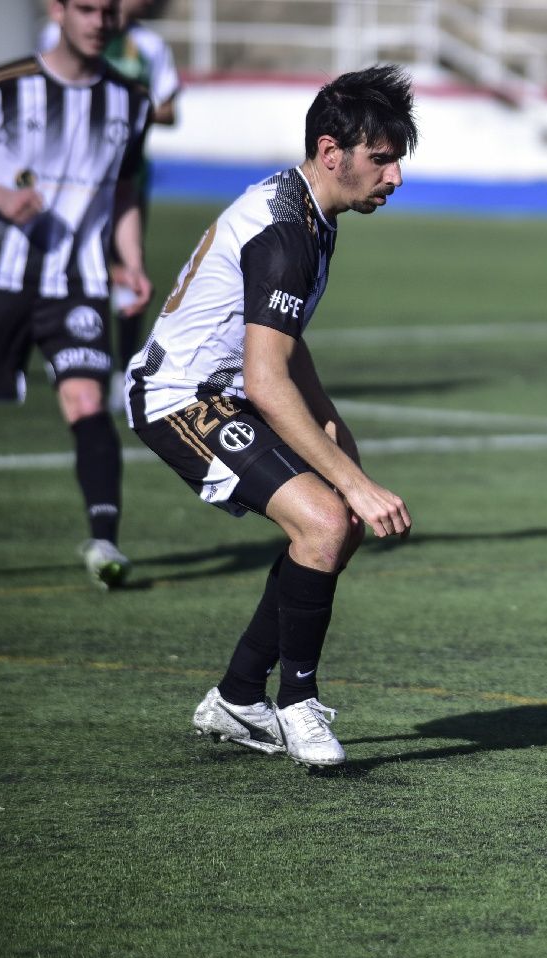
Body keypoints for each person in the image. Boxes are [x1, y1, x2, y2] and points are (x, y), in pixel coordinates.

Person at [126, 64, 418, 767]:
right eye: (381, 158)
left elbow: (284, 346)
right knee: (325, 518)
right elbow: (264, 373)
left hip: (229, 391)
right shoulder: (289, 233)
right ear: (330, 151)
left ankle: (237, 695)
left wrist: (330, 425)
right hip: (180, 397)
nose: (396, 176)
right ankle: (297, 704)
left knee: (332, 529)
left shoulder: (312, 214)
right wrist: (352, 481)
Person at [0, 0, 153, 588]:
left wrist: (132, 260)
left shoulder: (131, 100)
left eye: (110, 11)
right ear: (58, 10)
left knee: (87, 403)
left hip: (77, 280)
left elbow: (122, 190)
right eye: (88, 9)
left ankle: (104, 544)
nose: (101, 22)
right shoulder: (1, 86)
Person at [41, 0, 182, 407]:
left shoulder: (149, 47)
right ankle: (61, 352)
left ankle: (123, 368)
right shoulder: (59, 35)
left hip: (126, 179)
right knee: (67, 265)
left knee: (128, 273)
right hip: (66, 180)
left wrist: (121, 106)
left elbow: (169, 109)